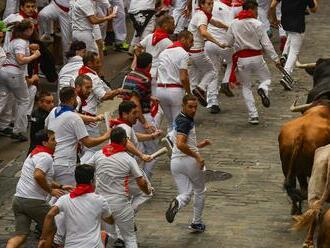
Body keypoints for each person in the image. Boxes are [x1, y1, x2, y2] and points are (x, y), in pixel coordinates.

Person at [6, 130, 73, 248]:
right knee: (51, 229)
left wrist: (60, 186)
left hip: (18, 199)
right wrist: (51, 191)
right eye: (53, 139)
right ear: (44, 142)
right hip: (33, 201)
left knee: (20, 235)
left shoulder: (33, 154)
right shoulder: (45, 157)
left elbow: (42, 178)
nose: (56, 142)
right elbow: (38, 176)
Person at [88, 127, 153, 248]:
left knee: (110, 236)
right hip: (120, 203)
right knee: (130, 238)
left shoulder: (98, 155)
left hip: (100, 203)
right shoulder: (128, 159)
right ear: (124, 140)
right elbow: (142, 182)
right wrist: (147, 191)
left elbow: (85, 169)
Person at [226, 0, 279, 125]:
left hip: (242, 60)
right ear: (250, 9)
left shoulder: (234, 23)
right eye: (255, 10)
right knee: (266, 79)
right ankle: (262, 88)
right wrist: (276, 59)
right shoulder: (258, 24)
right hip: (257, 58)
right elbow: (266, 44)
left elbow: (228, 42)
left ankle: (253, 115)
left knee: (246, 86)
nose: (256, 12)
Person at [45, 86, 111, 186]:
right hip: (65, 164)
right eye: (76, 97)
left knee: (57, 193)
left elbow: (68, 116)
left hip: (51, 160)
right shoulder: (74, 118)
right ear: (72, 99)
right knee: (67, 194)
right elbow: (88, 143)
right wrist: (106, 136)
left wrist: (94, 119)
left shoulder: (53, 111)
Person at [38, 164, 114, 248]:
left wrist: (43, 238)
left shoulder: (64, 200)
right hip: (93, 246)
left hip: (71, 245)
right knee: (103, 234)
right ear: (92, 181)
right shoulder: (100, 200)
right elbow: (110, 220)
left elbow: (50, 215)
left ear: (76, 180)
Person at [165, 95, 211, 232]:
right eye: (190, 107)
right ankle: (197, 222)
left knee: (185, 193)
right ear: (183, 106)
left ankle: (177, 203)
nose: (193, 110)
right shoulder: (186, 122)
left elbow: (181, 141)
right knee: (200, 191)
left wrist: (198, 145)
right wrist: (197, 156)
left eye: (195, 107)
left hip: (175, 163)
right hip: (190, 162)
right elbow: (180, 143)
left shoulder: (179, 119)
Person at [0, 20, 41, 141]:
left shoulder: (14, 41)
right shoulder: (20, 42)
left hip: (3, 72)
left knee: (3, 99)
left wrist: (30, 47)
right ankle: (18, 131)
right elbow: (20, 59)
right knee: (24, 100)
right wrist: (35, 55)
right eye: (32, 28)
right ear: (27, 30)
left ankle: (3, 125)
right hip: (14, 73)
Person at [188, 0, 228, 114]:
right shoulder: (202, 16)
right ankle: (201, 89)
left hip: (190, 52)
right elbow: (204, 32)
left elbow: (216, 23)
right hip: (197, 51)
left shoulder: (201, 14)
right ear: (201, 5)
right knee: (212, 72)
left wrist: (228, 26)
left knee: (193, 80)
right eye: (208, 4)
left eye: (212, 4)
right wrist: (218, 42)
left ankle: (189, 106)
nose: (211, 6)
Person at [269, 0, 318, 90]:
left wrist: (274, 19)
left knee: (291, 35)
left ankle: (284, 55)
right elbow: (314, 9)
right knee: (294, 51)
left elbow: (272, 6)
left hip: (286, 22)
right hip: (298, 24)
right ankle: (286, 76)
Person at [156, 30, 193, 132]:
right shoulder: (184, 54)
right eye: (190, 41)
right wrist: (189, 93)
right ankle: (175, 146)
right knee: (177, 123)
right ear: (182, 39)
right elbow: (183, 77)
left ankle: (171, 143)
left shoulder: (163, 52)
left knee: (170, 123)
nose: (192, 44)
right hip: (175, 91)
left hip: (160, 90)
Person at [135, 15, 175, 95]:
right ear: (165, 26)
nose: (174, 26)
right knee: (155, 100)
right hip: (158, 76)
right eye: (172, 24)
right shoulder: (168, 43)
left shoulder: (149, 36)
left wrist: (141, 59)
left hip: (146, 73)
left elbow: (137, 48)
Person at [204, 0, 235, 98]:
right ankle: (225, 82)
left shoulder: (211, 4)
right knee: (233, 60)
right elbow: (230, 28)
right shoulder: (227, 8)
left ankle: (212, 101)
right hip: (223, 43)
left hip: (209, 43)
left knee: (214, 71)